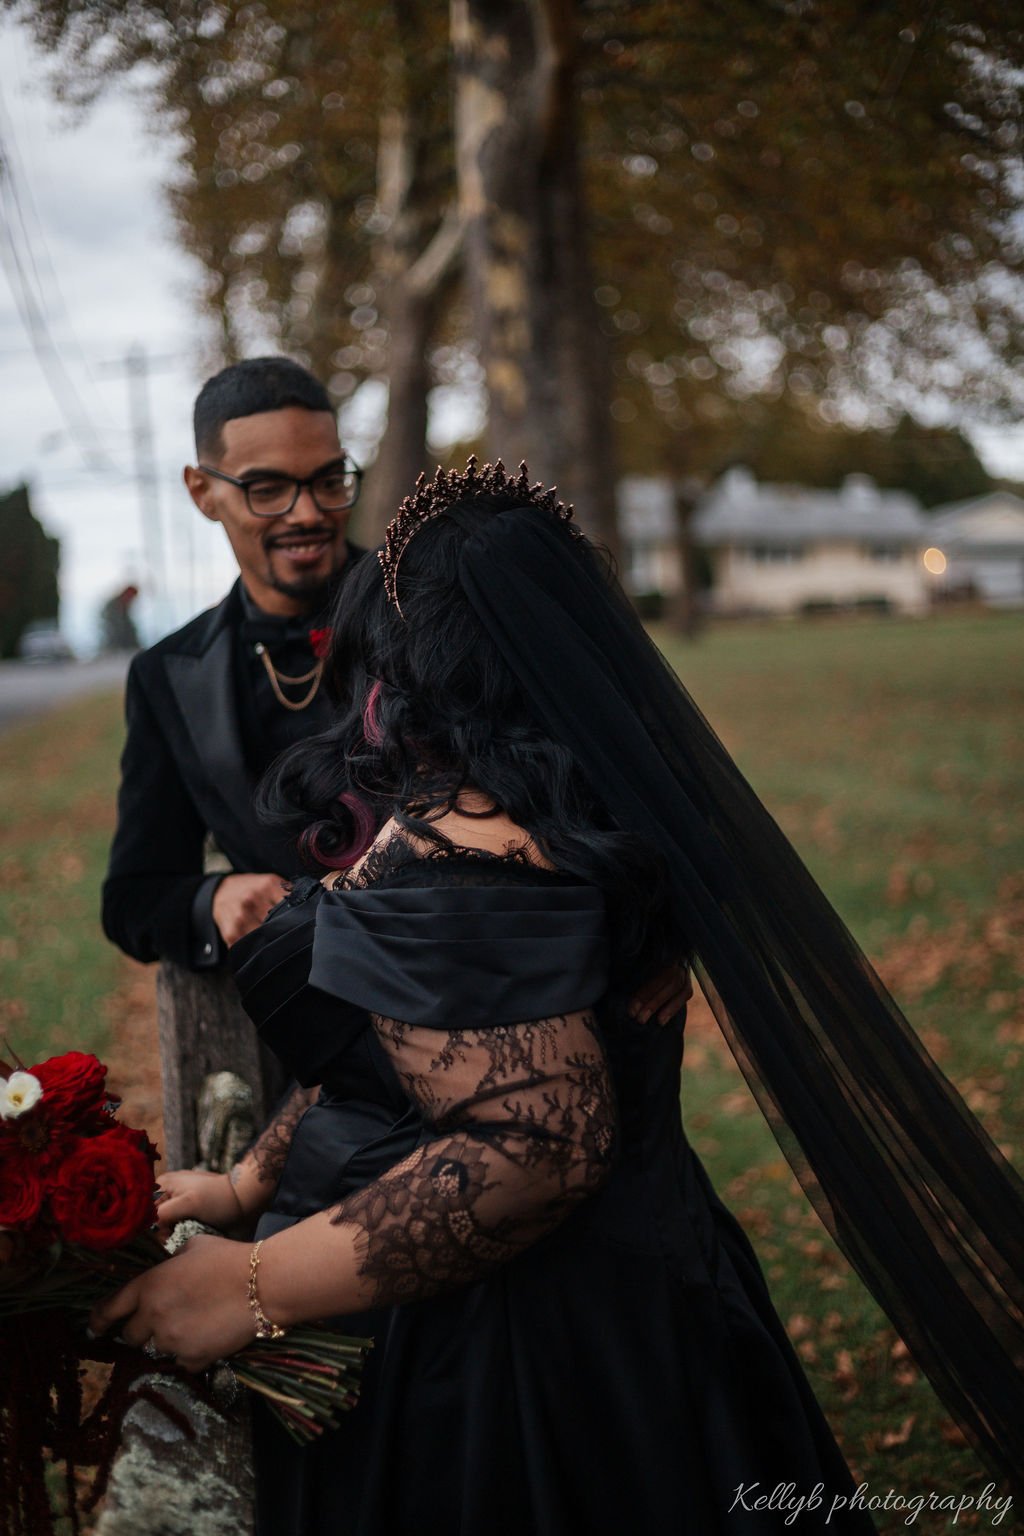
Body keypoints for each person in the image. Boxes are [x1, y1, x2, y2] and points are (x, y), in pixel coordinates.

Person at [92, 461, 1024, 1534]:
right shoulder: (553, 811)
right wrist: (250, 1184)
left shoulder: (472, 869)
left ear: (422, 659)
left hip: (514, 1365)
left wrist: (248, 1286)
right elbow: (398, 1063)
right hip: (627, 1292)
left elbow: (532, 1152)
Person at [101, 354, 365, 973]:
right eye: (267, 489)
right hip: (321, 1015)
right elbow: (131, 896)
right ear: (203, 492)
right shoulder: (166, 676)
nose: (307, 513)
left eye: (329, 481)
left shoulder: (431, 605)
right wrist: (211, 896)